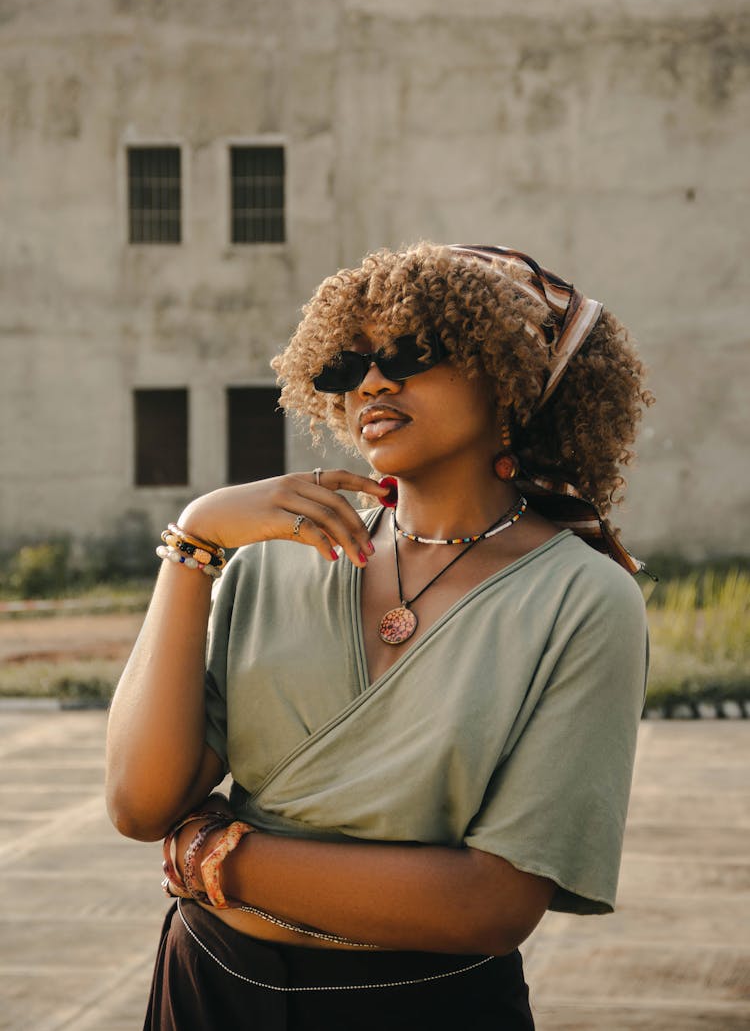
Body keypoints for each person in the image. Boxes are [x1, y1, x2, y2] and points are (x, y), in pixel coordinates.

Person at [106, 241, 652, 1030]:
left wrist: (216, 853)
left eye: (410, 349)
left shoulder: (584, 597)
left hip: (422, 1007)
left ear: (511, 373)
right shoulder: (277, 560)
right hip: (206, 986)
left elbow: (491, 904)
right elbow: (138, 800)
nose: (372, 380)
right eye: (346, 361)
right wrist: (195, 543)